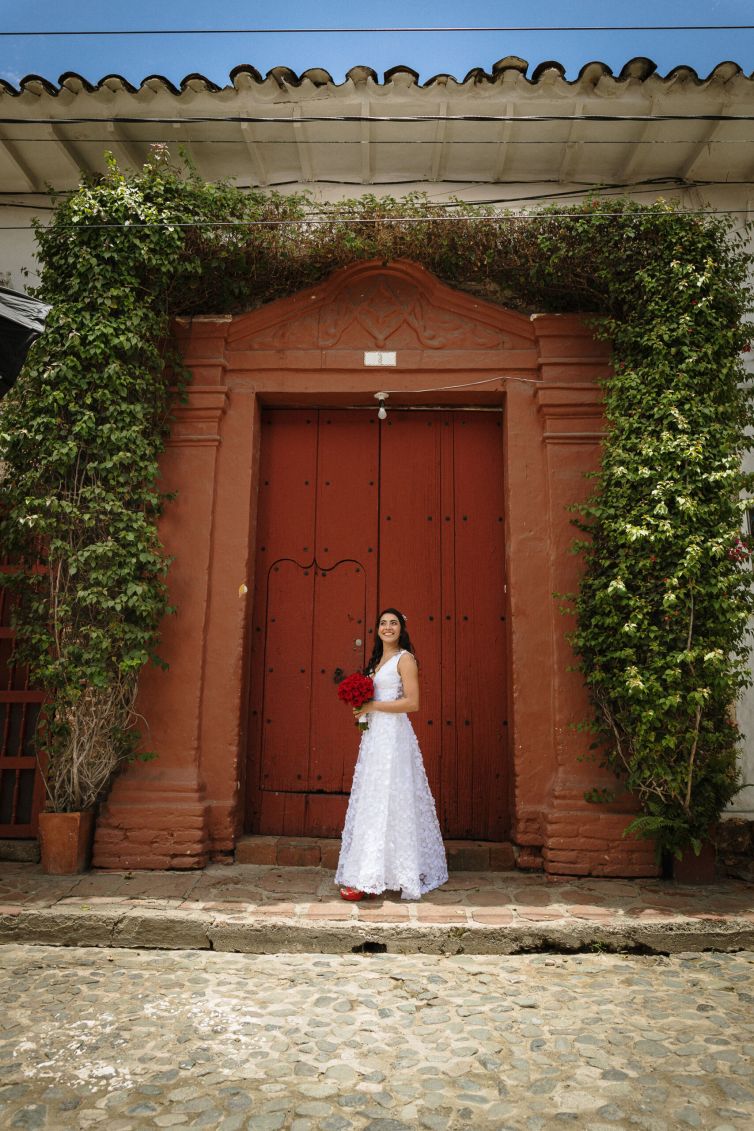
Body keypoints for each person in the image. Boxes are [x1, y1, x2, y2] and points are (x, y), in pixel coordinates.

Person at [335, 607, 448, 901]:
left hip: (394, 737)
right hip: (374, 738)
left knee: (392, 799)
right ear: (377, 629)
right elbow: (373, 699)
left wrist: (373, 707)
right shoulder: (376, 661)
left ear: (401, 629)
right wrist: (361, 712)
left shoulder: (405, 659)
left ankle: (380, 875)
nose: (388, 627)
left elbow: (412, 703)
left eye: (393, 623)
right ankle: (370, 872)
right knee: (373, 799)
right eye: (383, 623)